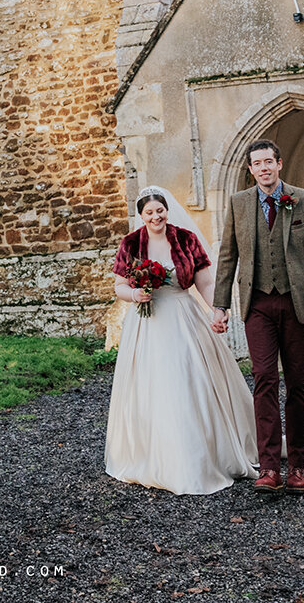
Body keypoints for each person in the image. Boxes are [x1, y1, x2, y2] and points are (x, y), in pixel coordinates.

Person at [105, 185, 259, 494]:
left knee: (190, 378)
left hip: (183, 315)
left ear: (166, 209)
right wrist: (136, 293)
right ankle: (155, 454)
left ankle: (204, 453)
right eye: (149, 212)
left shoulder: (185, 239)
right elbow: (119, 286)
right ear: (141, 215)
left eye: (159, 210)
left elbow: (204, 280)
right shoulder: (131, 243)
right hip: (147, 322)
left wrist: (217, 310)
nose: (155, 216)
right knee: (151, 384)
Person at [211, 139, 304, 495]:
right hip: (258, 304)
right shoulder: (239, 203)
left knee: (298, 383)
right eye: (257, 164)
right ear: (250, 170)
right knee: (264, 379)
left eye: (269, 162)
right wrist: (220, 305)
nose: (263, 168)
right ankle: (268, 467)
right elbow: (227, 256)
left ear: (279, 164)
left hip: (296, 304)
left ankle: (296, 466)